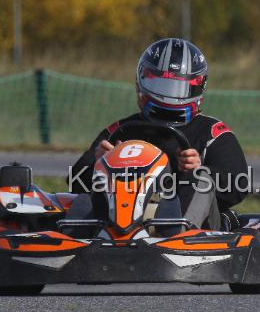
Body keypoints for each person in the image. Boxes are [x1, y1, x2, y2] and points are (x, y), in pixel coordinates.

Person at [68, 38, 248, 230]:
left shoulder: (212, 133)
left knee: (201, 180)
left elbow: (238, 185)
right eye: (160, 85)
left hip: (190, 233)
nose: (168, 96)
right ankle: (75, 241)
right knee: (84, 199)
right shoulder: (121, 131)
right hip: (120, 228)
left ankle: (176, 235)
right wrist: (99, 165)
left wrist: (197, 169)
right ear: (141, 82)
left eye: (176, 87)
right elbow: (74, 181)